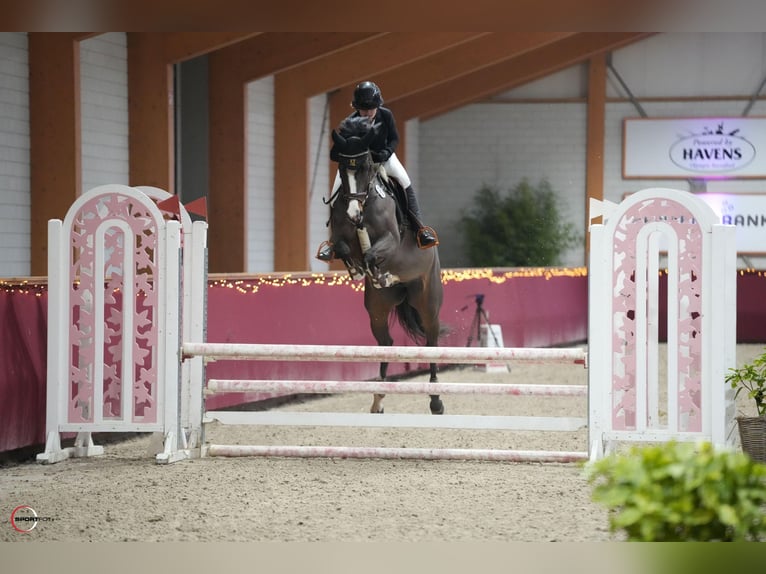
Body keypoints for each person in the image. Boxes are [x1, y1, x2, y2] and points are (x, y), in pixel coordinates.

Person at [316, 81, 438, 261]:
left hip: (384, 159)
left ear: (377, 106)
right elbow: (336, 152)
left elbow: (394, 139)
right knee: (335, 191)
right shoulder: (350, 123)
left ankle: (420, 229)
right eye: (363, 110)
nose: (367, 113)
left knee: (405, 182)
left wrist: (386, 152)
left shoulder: (386, 115)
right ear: (357, 108)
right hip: (357, 166)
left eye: (371, 109)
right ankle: (333, 242)